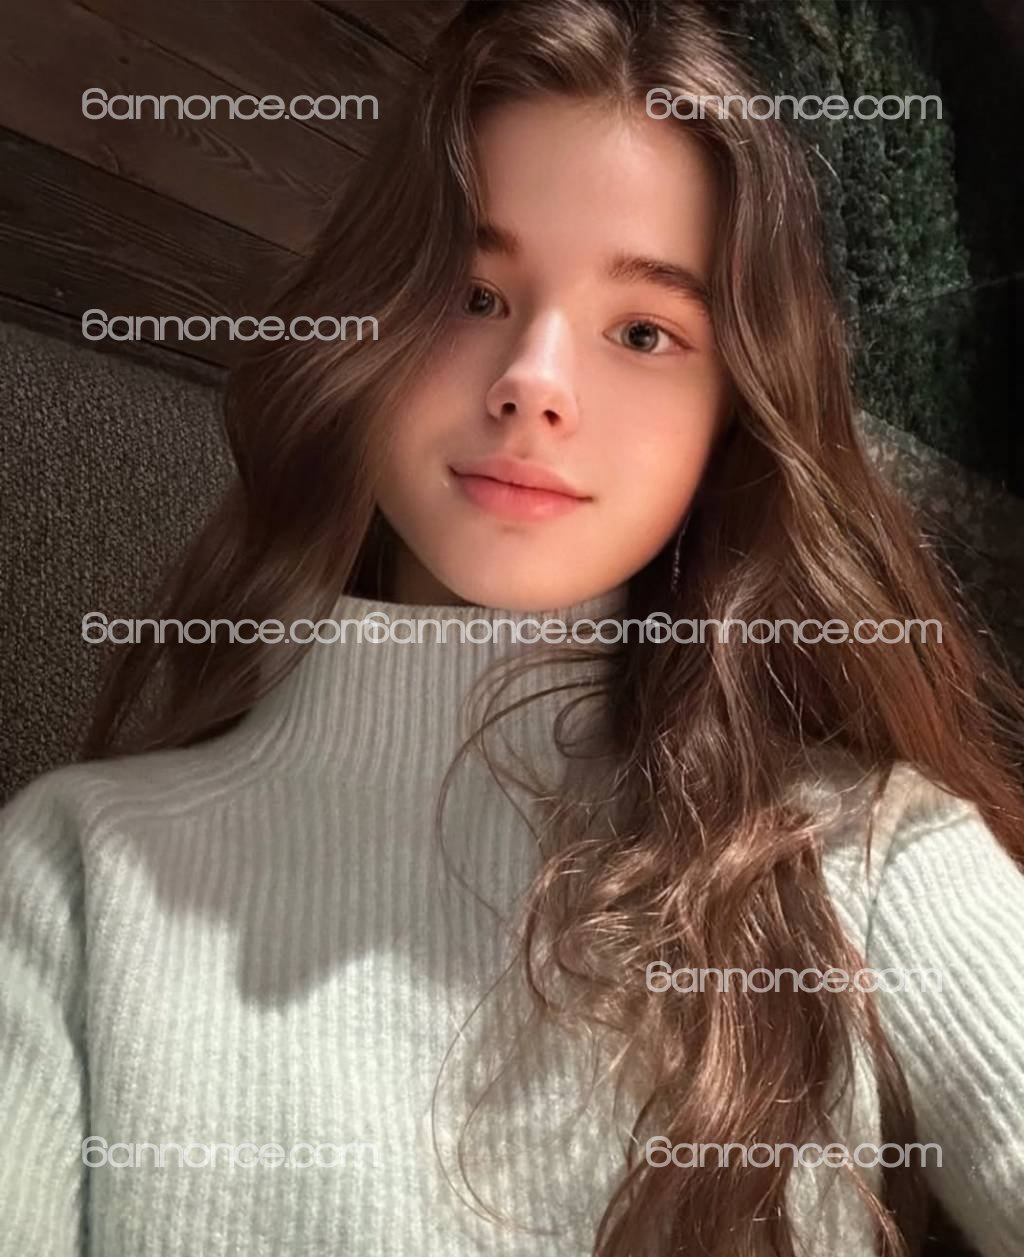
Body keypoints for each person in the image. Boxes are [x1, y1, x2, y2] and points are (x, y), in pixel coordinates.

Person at [2, 2, 1022, 1254]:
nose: (534, 379)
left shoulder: (872, 864)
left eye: (643, 331)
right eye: (471, 291)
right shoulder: (76, 877)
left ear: (730, 419)